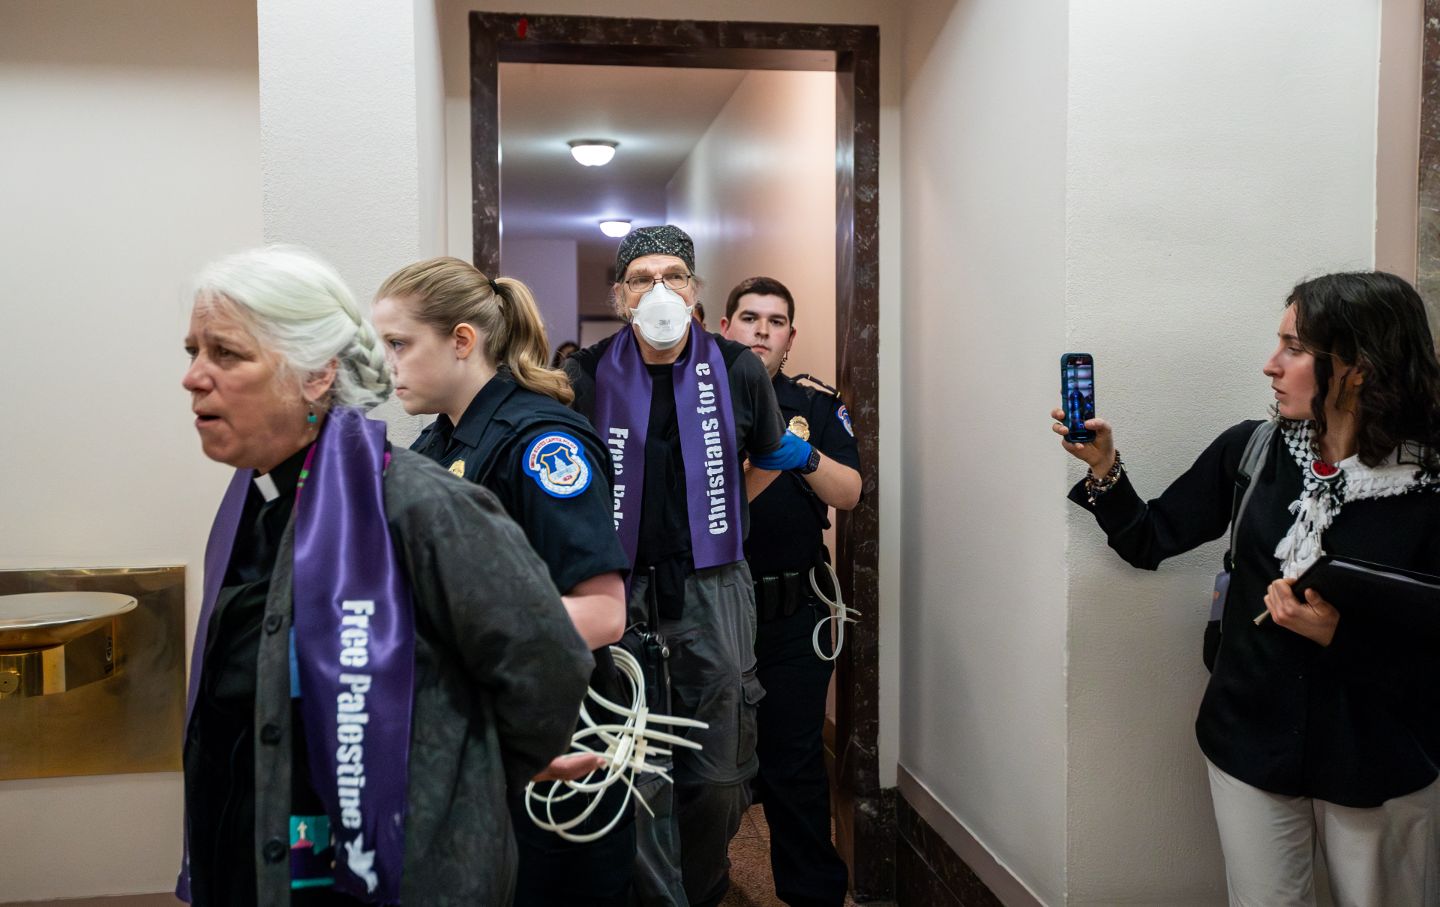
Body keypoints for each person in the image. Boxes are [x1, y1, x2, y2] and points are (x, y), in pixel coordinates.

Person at [176, 246, 593, 906]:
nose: (194, 377)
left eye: (226, 354)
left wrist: (462, 785)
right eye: (194, 351)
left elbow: (546, 662)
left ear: (316, 374)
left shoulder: (418, 504)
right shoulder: (255, 510)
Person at [1054, 271, 1440, 906]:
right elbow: (1149, 538)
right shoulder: (1255, 450)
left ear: (1359, 369)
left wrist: (1338, 635)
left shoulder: (1424, 485)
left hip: (1381, 760)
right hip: (1250, 745)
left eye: (1293, 347)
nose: (1271, 365)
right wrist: (1104, 468)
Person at [370, 256, 635, 906]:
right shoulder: (434, 446)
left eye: (399, 344)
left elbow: (604, 612)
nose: (386, 365)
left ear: (463, 340)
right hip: (483, 739)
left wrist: (454, 643)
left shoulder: (542, 443)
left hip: (557, 733)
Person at [562, 225, 808, 907]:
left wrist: (722, 513)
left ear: (696, 292)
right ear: (621, 295)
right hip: (620, 583)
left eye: (674, 275)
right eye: (642, 278)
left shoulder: (738, 370)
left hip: (715, 582)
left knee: (721, 767)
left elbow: (763, 456)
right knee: (634, 762)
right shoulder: (584, 374)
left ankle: (701, 886)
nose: (659, 289)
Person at [720, 276, 861, 907]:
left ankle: (813, 897)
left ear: (790, 337)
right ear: (725, 328)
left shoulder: (816, 405)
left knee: (797, 771)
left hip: (790, 620)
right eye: (749, 317)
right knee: (703, 775)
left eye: (775, 321)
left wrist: (796, 452)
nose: (761, 330)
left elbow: (850, 492)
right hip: (709, 618)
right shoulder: (691, 403)